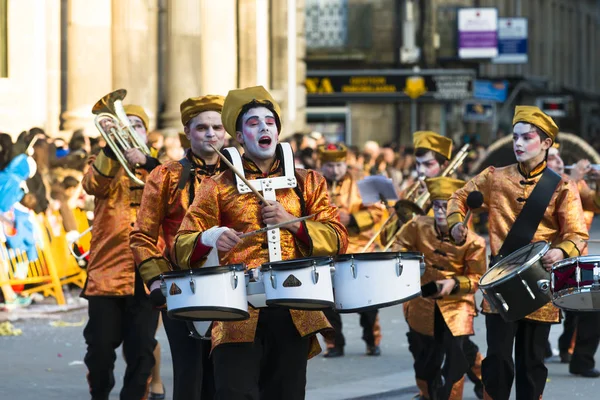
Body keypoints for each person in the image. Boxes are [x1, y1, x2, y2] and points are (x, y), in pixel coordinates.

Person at [172, 85, 348, 400]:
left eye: (270, 121)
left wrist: (291, 223)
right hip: (237, 311)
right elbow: (181, 245)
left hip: (295, 308)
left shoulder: (307, 182)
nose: (264, 127)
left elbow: (337, 238)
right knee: (235, 393)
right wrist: (210, 238)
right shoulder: (217, 186)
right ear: (239, 137)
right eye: (253, 123)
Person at [448, 106, 589, 400]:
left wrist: (561, 251)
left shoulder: (562, 186)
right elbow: (460, 196)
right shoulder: (494, 177)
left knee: (532, 362)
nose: (519, 143)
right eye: (515, 137)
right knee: (497, 360)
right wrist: (454, 225)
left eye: (527, 137)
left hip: (539, 283)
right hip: (499, 283)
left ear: (547, 143)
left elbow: (576, 233)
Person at [130, 94, 227, 399]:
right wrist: (157, 278)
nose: (210, 133)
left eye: (217, 127)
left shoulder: (240, 177)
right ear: (187, 131)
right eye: (202, 128)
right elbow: (142, 235)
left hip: (232, 285)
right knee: (190, 373)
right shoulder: (165, 175)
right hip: (181, 286)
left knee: (225, 375)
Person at [382, 131, 484, 398]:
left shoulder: (455, 195)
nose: (422, 172)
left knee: (458, 348)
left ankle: (482, 382)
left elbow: (461, 243)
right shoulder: (414, 192)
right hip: (417, 286)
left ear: (444, 165)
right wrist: (392, 212)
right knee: (420, 345)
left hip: (451, 290)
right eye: (418, 165)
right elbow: (390, 237)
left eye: (428, 165)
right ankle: (428, 390)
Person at [81, 103, 162, 400]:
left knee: (141, 348)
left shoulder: (161, 167)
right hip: (107, 271)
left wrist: (149, 162)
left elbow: (176, 193)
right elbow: (93, 184)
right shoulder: (101, 160)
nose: (130, 131)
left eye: (136, 126)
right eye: (124, 126)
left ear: (147, 133)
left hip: (147, 271)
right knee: (99, 348)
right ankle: (99, 394)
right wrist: (112, 149)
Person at [317, 142, 385, 357]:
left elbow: (377, 212)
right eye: (329, 166)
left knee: (367, 300)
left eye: (339, 165)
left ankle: (372, 341)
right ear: (322, 165)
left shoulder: (362, 182)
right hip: (325, 250)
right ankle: (334, 343)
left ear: (346, 164)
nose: (334, 170)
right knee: (326, 300)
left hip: (359, 248)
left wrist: (353, 218)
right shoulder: (314, 185)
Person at [547, 144, 600, 377]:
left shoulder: (574, 183)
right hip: (547, 259)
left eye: (560, 157)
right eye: (553, 158)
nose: (560, 162)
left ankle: (581, 359)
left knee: (592, 306)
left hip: (577, 258)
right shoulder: (543, 185)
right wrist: (575, 179)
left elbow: (595, 203)